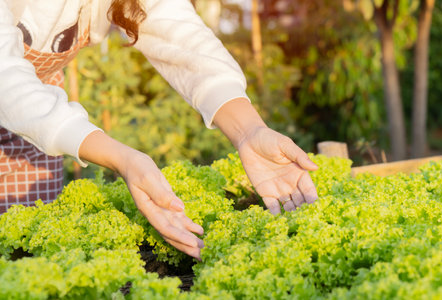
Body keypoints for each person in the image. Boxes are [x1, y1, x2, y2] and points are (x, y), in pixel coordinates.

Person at [0, 0, 319, 260]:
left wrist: (249, 131)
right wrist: (122, 158)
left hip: (39, 117)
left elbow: (184, 39)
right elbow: (5, 79)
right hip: (24, 99)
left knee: (25, 253)